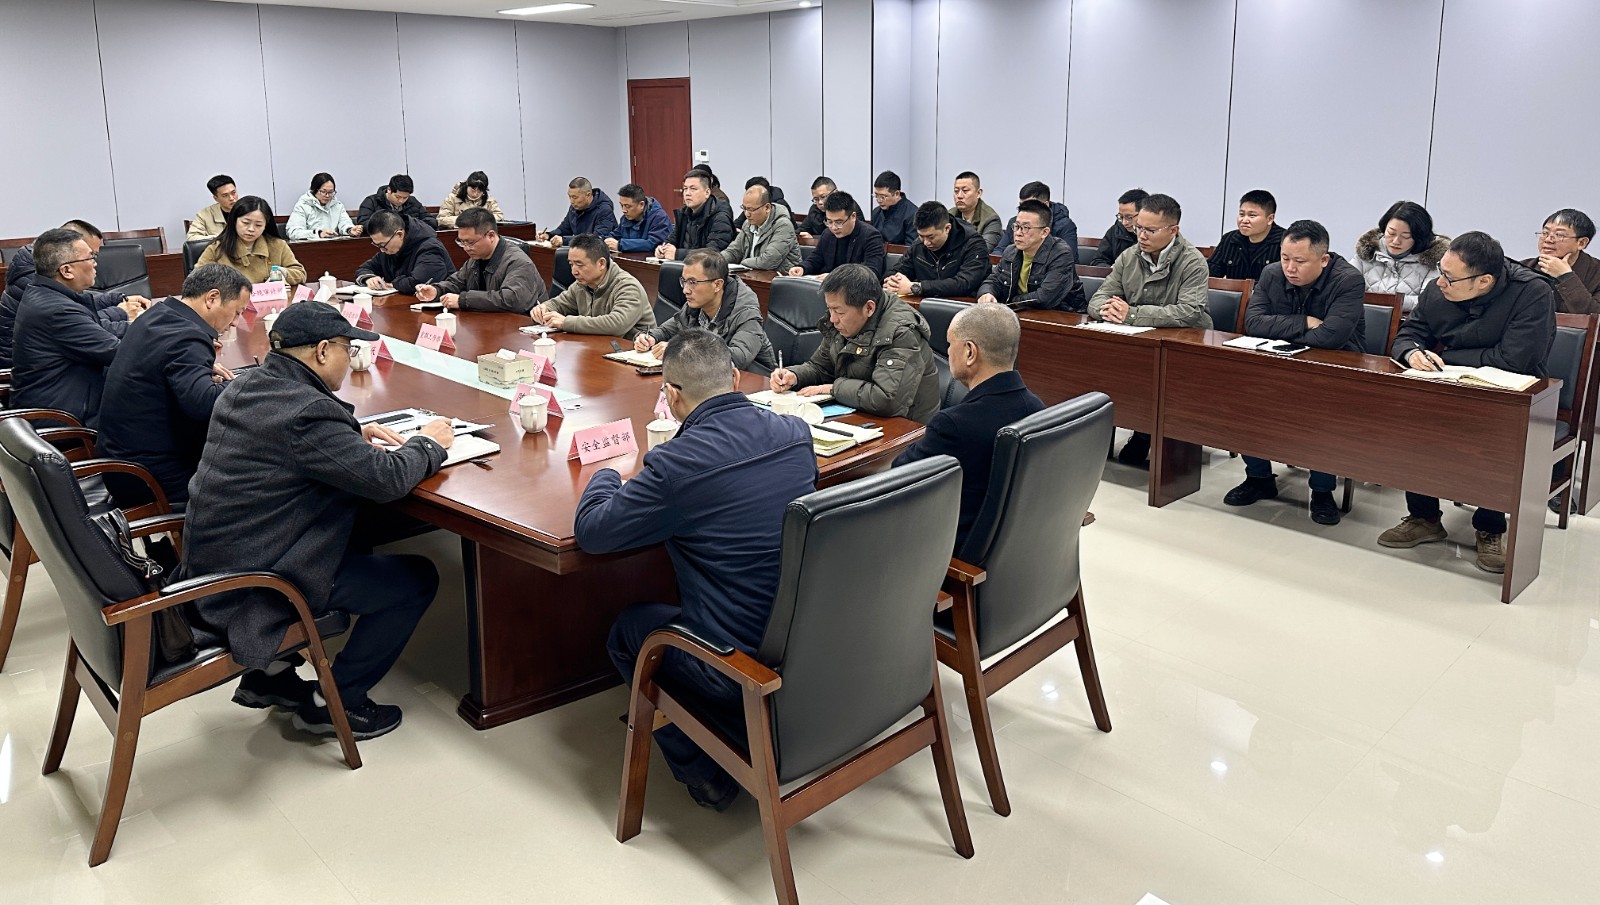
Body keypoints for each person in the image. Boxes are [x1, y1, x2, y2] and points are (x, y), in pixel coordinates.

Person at [180, 301, 453, 740]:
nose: (351, 357)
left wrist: (349, 437)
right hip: (257, 583)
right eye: (348, 348)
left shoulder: (248, 384)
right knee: (415, 579)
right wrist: (427, 444)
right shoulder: (306, 412)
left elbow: (281, 444)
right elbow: (387, 479)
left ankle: (269, 676)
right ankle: (335, 704)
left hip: (214, 562)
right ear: (323, 350)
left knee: (359, 530)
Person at [581, 329, 817, 811]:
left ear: (670, 395)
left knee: (630, 630)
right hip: (810, 642)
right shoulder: (796, 434)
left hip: (737, 665)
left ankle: (706, 775)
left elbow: (594, 532)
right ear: (735, 378)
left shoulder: (676, 465)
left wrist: (606, 470)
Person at [1380, 232, 1555, 574]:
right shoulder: (1438, 289)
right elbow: (1408, 334)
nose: (1440, 282)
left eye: (1450, 277)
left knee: (1494, 439)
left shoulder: (1532, 292)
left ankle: (1490, 528)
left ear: (1484, 280)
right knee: (1414, 424)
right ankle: (1424, 517)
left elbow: (1515, 359)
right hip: (1446, 384)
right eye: (1441, 271)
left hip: (1507, 392)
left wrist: (1447, 357)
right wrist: (1412, 352)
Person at [1225, 220, 1366, 525]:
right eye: (1285, 257)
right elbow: (1253, 323)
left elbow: (1331, 338)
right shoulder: (1271, 273)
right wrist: (1304, 322)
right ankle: (1259, 477)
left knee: (1321, 415)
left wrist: (1282, 327)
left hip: (1333, 368)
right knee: (1243, 399)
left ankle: (1322, 492)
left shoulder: (1348, 280)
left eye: (1300, 261)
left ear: (1323, 260)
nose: (1290, 268)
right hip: (1280, 362)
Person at [97, 264, 253, 506]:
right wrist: (252, 381)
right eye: (236, 312)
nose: (235, 322)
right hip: (151, 477)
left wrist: (201, 370)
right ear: (212, 298)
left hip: (120, 462)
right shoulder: (187, 336)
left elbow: (160, 364)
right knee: (258, 480)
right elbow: (203, 404)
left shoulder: (158, 315)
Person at [892, 303, 1042, 547]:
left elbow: (899, 477)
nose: (947, 352)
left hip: (947, 554)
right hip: (1013, 550)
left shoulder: (954, 426)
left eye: (950, 344)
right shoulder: (1038, 409)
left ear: (970, 352)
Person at [1089, 193, 1211, 466]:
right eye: (1138, 228)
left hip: (1183, 344)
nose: (1141, 236)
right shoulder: (1129, 256)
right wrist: (1107, 310)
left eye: (1150, 230)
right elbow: (1099, 298)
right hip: (1139, 341)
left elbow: (1189, 311)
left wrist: (1131, 314)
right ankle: (1136, 427)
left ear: (1173, 230)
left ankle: (1147, 433)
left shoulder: (1192, 261)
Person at [769, 263, 940, 423]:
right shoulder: (843, 322)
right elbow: (820, 367)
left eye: (839, 312)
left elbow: (887, 399)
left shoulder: (901, 332)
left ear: (869, 308)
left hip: (907, 427)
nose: (833, 319)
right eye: (829, 309)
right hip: (858, 413)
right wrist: (794, 376)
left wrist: (833, 389)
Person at [10, 228, 144, 425]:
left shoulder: (46, 293)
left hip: (69, 399)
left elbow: (98, 330)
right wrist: (166, 337)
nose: (95, 263)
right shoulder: (57, 310)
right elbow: (118, 353)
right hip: (64, 418)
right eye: (90, 258)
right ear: (66, 271)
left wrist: (145, 326)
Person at [0, 220, 150, 368]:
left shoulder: (44, 278)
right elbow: (81, 324)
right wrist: (122, 313)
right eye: (91, 255)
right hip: (15, 364)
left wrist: (114, 299)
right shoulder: (47, 298)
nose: (95, 263)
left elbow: (80, 314)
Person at [636, 250, 775, 372]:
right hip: (709, 380)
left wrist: (680, 351)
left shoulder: (746, 313)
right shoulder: (695, 307)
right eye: (684, 281)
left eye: (693, 282)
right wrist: (649, 338)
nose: (685, 290)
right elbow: (665, 331)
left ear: (717, 285)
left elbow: (736, 358)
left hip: (753, 383)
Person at [415, 208, 548, 313]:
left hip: (520, 329)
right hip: (488, 324)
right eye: (461, 242)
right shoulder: (476, 258)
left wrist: (463, 300)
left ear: (491, 236)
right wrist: (436, 290)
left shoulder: (519, 262)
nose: (465, 248)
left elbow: (511, 300)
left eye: (470, 242)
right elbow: (457, 283)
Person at [531, 233, 655, 336]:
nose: (574, 271)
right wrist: (544, 308)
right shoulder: (581, 285)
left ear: (601, 263)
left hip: (632, 351)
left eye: (579, 265)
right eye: (571, 264)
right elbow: (559, 304)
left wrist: (566, 322)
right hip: (600, 347)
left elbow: (617, 324)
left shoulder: (628, 287)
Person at [976, 199, 1085, 311]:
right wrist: (987, 293)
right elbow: (993, 280)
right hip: (1022, 310)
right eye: (1017, 226)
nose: (1018, 233)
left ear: (1044, 232)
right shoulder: (1011, 251)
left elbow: (1044, 298)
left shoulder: (1061, 254)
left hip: (1063, 314)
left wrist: (1011, 303)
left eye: (1026, 228)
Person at [196, 196, 307, 290]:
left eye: (258, 225)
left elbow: (300, 273)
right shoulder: (217, 248)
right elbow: (197, 279)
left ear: (266, 225)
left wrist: (282, 273)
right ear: (234, 221)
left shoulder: (277, 245)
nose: (251, 229)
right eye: (245, 223)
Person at [884, 202, 992, 299]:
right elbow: (899, 270)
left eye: (931, 237)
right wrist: (892, 282)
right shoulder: (918, 244)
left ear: (947, 228)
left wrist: (916, 287)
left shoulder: (973, 244)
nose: (926, 243)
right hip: (925, 304)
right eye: (921, 236)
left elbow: (964, 283)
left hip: (964, 305)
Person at [1355, 200, 1448, 307]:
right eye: (1391, 233)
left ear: (1419, 237)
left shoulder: (1434, 260)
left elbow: (1426, 302)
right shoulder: (1368, 251)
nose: (1396, 241)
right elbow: (1345, 288)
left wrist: (1389, 301)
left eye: (1405, 236)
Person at [788, 191, 886, 278]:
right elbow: (816, 259)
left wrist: (835, 278)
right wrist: (802, 268)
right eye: (829, 222)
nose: (834, 227)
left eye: (839, 222)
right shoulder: (827, 234)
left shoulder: (870, 236)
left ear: (853, 216)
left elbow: (872, 272)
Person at [353, 210, 453, 295]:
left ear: (399, 234)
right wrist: (369, 278)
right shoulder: (388, 249)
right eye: (377, 245)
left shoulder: (430, 247)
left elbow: (419, 282)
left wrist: (392, 284)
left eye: (382, 245)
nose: (381, 250)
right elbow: (363, 269)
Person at [1524, 208, 1600, 315]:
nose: (1548, 240)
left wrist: (1566, 277)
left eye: (1559, 235)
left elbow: (1595, 315)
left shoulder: (1597, 273)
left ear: (1581, 243)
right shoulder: (1522, 268)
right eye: (1545, 233)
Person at [1208, 189, 1286, 280]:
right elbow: (1210, 274)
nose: (1244, 220)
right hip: (1234, 289)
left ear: (1270, 219)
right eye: (1241, 214)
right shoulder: (1229, 239)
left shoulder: (1284, 242)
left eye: (1252, 215)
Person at [721, 184, 800, 272]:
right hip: (754, 275)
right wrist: (717, 261)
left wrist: (741, 264)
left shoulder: (783, 225)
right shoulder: (748, 224)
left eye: (751, 209)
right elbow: (734, 251)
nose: (747, 214)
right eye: (744, 208)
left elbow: (768, 261)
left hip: (780, 277)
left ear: (767, 208)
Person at [657, 170, 734, 260]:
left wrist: (678, 254)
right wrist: (663, 249)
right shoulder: (684, 213)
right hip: (684, 265)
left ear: (707, 193)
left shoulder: (720, 217)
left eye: (693, 189)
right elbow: (671, 240)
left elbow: (713, 252)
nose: (687, 193)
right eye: (685, 189)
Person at [997, 181, 1078, 255]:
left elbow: (1069, 258)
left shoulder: (1065, 225)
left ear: (1045, 205)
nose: (1024, 209)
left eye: (1030, 206)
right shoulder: (1014, 222)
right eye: (1021, 205)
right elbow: (999, 251)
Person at [541, 176, 616, 248]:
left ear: (588, 195)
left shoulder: (604, 210)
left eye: (575, 197)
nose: (571, 201)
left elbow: (596, 239)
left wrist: (565, 241)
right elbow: (564, 229)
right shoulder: (574, 207)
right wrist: (549, 235)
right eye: (569, 196)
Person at [286, 173, 361, 240]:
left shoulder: (337, 206)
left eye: (331, 192)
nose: (327, 195)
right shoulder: (303, 206)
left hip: (334, 246)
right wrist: (318, 234)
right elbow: (293, 232)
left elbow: (344, 223)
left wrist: (350, 230)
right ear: (314, 190)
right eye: (323, 192)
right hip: (311, 247)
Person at [607, 183, 672, 254]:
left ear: (641, 205)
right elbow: (616, 235)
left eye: (628, 206)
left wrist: (620, 245)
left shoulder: (659, 217)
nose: (623, 210)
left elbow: (653, 244)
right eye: (621, 205)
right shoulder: (626, 218)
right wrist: (605, 240)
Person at [1090, 188, 1148, 266]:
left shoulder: (1155, 234)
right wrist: (1114, 270)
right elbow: (1098, 261)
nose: (1124, 223)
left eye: (1129, 217)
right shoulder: (1115, 231)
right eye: (1121, 217)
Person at [357, 174, 437, 229]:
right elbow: (363, 224)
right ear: (389, 190)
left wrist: (411, 224)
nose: (401, 201)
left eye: (405, 197)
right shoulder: (371, 202)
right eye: (397, 197)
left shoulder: (413, 201)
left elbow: (431, 221)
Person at [796, 176, 861, 240]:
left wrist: (814, 239)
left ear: (835, 192)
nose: (820, 202)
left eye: (823, 197)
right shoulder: (814, 210)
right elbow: (800, 231)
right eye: (816, 199)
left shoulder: (848, 206)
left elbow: (854, 236)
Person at [951, 171, 1002, 251]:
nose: (959, 196)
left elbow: (981, 250)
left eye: (965, 190)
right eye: (956, 191)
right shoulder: (949, 215)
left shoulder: (991, 219)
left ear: (978, 193)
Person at [437, 171, 505, 230]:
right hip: (459, 234)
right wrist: (465, 220)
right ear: (467, 185)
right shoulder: (452, 198)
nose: (475, 194)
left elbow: (499, 216)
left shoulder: (489, 200)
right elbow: (442, 219)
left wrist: (482, 219)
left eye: (479, 191)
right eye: (473, 190)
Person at [870, 170, 918, 245]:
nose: (879, 200)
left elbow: (911, 247)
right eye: (876, 196)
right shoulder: (876, 212)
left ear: (897, 194)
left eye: (883, 197)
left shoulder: (912, 214)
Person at [187, 174, 239, 241]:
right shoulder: (204, 214)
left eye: (233, 193)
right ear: (216, 198)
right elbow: (191, 238)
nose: (231, 198)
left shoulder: (249, 209)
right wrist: (221, 237)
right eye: (225, 195)